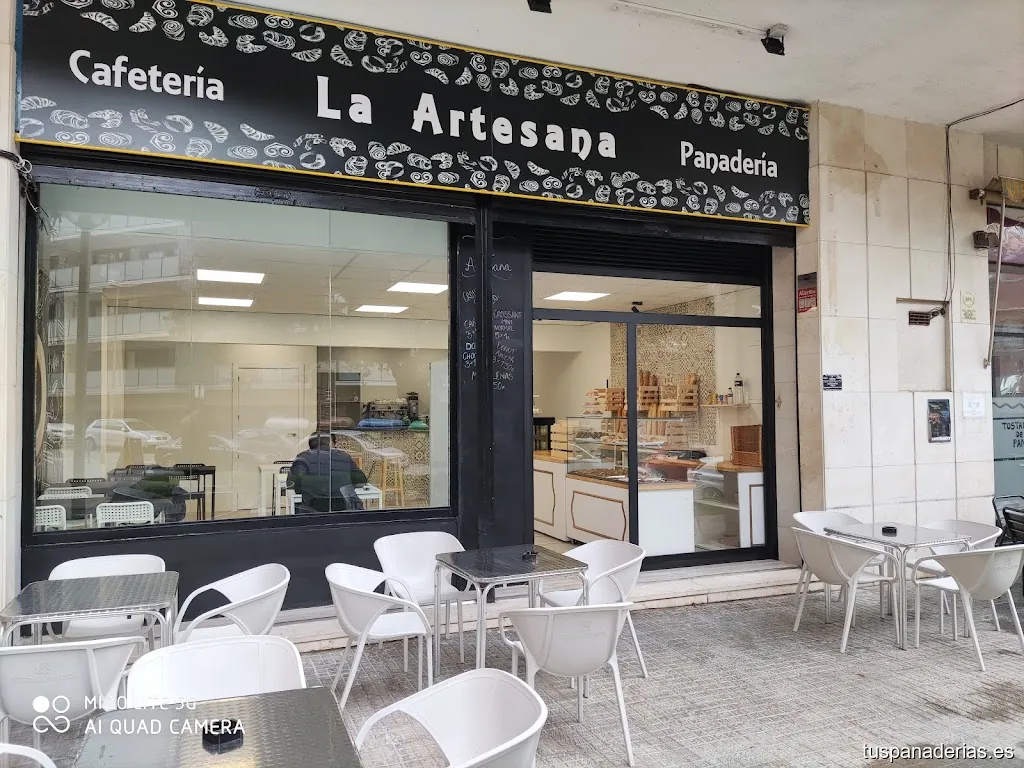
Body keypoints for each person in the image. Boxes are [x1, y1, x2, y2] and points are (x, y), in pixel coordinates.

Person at [288, 433, 368, 512]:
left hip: (312, 512)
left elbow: (293, 485)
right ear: (330, 443)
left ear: (310, 444)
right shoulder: (344, 457)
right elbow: (361, 480)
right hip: (343, 510)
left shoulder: (302, 458)